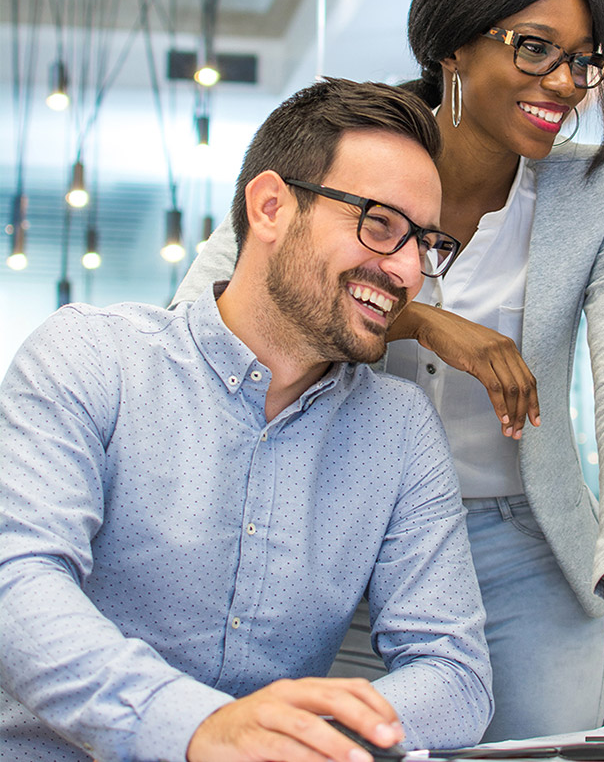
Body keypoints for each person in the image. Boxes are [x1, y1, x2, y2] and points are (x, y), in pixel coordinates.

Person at [172, 0, 604, 743]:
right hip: (335, 526)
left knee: (538, 744)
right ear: (453, 47)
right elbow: (202, 311)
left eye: (583, 59)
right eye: (535, 49)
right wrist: (423, 319)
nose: (565, 82)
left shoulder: (599, 191)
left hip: (524, 537)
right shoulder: (346, 147)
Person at [0, 78, 493, 762]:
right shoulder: (92, 358)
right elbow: (16, 586)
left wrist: (300, 737)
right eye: (380, 224)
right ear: (269, 207)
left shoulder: (399, 430)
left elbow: (456, 673)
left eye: (426, 242)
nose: (409, 269)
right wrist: (198, 727)